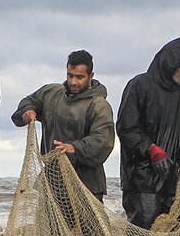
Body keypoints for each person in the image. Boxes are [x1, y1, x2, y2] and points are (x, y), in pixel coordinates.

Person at [115, 37, 180, 230]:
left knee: (175, 234)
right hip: (142, 180)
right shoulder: (139, 86)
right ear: (172, 65)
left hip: (175, 179)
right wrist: (151, 149)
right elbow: (126, 127)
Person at [11, 50, 115, 200]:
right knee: (48, 224)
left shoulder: (99, 105)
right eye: (70, 75)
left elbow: (103, 141)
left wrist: (74, 148)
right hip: (53, 182)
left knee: (86, 224)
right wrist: (28, 110)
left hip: (87, 185)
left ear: (91, 76)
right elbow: (28, 102)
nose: (73, 81)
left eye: (80, 77)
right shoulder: (51, 93)